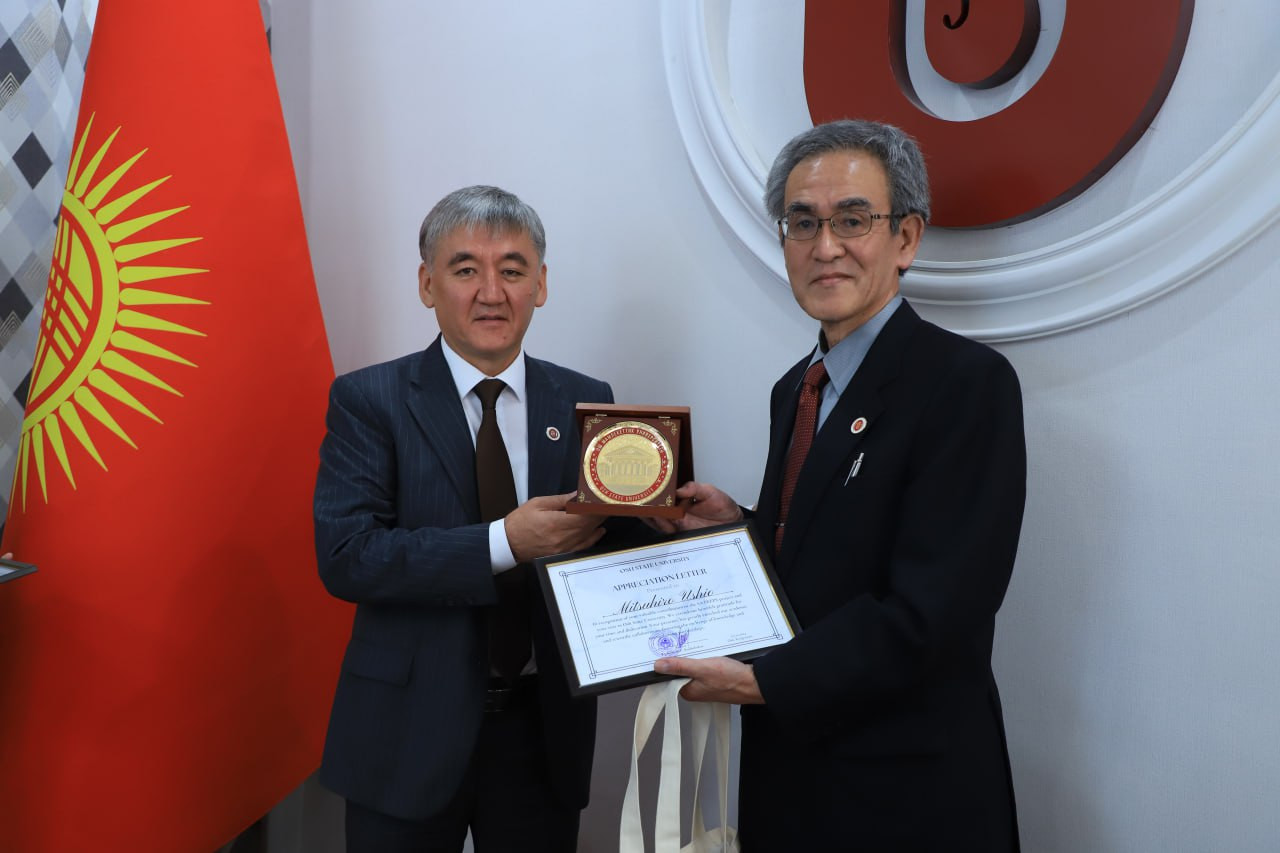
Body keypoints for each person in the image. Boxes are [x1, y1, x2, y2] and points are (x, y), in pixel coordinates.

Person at [652, 120, 1026, 850]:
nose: (824, 247)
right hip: (791, 774)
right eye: (803, 223)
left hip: (904, 787)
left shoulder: (965, 384)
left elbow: (936, 611)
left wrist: (762, 683)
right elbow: (827, 547)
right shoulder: (796, 387)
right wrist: (741, 526)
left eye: (853, 220)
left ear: (906, 238)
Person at [314, 185, 615, 852]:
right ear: (428, 284)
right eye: (465, 269)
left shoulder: (587, 400)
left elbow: (598, 544)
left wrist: (663, 527)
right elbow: (348, 556)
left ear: (541, 285)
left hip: (541, 735)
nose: (491, 293)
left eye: (512, 270)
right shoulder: (369, 399)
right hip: (404, 732)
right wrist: (505, 542)